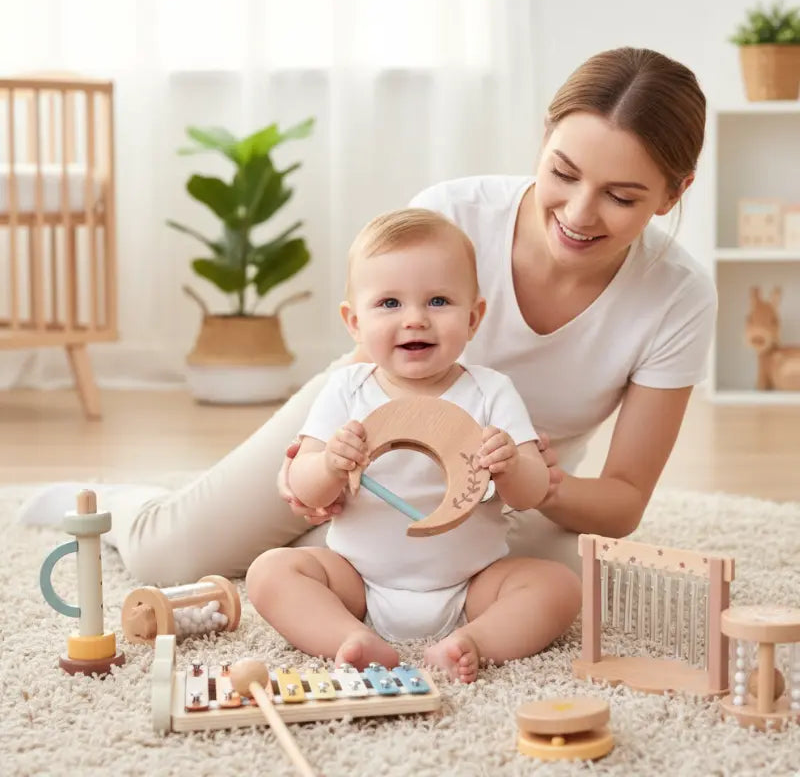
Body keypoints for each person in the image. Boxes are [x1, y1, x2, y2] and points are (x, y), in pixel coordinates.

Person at [18, 46, 716, 589]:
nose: (578, 213)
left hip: (510, 489)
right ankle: (125, 502)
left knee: (548, 583)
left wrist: (527, 482)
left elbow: (623, 501)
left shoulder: (676, 296)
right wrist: (328, 455)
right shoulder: (457, 214)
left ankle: (319, 549)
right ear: (544, 136)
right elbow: (371, 360)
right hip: (366, 415)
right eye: (563, 173)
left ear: (673, 193)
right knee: (168, 557)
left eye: (621, 196)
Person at [245, 209, 579, 683]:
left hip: (472, 582)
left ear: (474, 317)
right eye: (389, 304)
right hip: (357, 579)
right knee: (271, 572)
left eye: (439, 301)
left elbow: (532, 493)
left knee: (558, 586)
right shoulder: (346, 390)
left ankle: (471, 642)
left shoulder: (491, 391)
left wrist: (510, 465)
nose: (416, 320)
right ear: (354, 322)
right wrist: (330, 465)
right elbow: (305, 488)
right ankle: (348, 638)